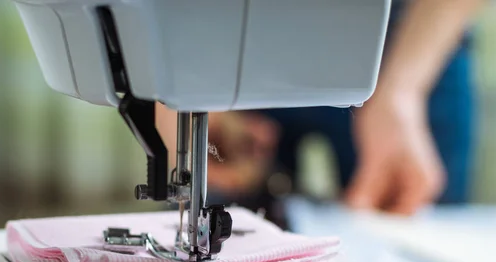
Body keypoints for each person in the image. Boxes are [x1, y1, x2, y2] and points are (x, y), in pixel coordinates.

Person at [157, 0, 485, 217]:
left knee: (405, 222)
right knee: (207, 193)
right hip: (238, 34)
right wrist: (175, 81)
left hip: (414, 34)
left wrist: (402, 92)